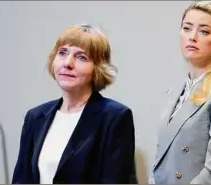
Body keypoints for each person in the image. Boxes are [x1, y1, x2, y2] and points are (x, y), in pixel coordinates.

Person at [12, 24, 137, 184]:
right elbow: (21, 179)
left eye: (81, 57)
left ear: (98, 68)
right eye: (62, 53)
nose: (67, 63)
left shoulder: (115, 117)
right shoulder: (35, 117)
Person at [150, 1, 211, 184]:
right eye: (187, 28)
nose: (192, 37)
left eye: (204, 31)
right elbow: (160, 159)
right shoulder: (175, 89)